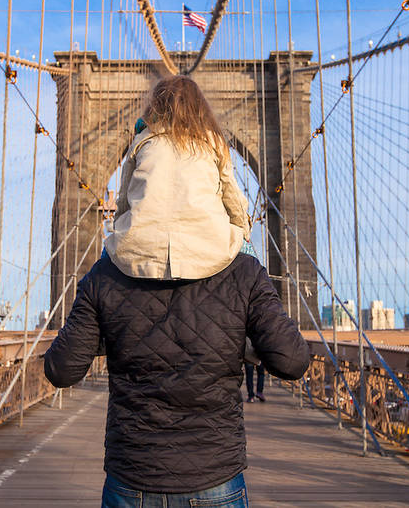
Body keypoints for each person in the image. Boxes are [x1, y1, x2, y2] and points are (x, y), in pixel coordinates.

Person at [43, 76, 309, 507]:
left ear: (136, 176)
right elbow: (293, 361)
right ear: (217, 178)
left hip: (132, 482)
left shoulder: (105, 276)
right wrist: (235, 339)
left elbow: (61, 371)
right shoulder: (244, 274)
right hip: (216, 482)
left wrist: (111, 330)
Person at [103, 75, 251, 281]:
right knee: (250, 264)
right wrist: (243, 234)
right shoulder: (214, 142)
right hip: (208, 249)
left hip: (140, 251)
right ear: (201, 109)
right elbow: (233, 199)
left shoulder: (140, 141)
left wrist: (121, 233)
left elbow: (124, 198)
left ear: (155, 107)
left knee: (107, 256)